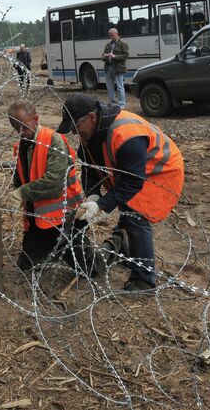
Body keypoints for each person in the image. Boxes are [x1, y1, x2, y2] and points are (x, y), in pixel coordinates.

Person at [57, 94, 184, 292]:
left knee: (135, 217)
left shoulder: (126, 135)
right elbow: (90, 166)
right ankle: (126, 248)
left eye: (75, 125)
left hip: (160, 172)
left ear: (91, 117)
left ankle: (144, 280)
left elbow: (133, 182)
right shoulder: (90, 133)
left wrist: (101, 205)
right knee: (127, 210)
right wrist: (93, 194)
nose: (74, 132)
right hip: (136, 172)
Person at [5, 100, 105, 273]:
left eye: (24, 127)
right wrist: (18, 190)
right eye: (17, 129)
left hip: (64, 218)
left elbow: (54, 183)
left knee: (91, 270)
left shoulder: (53, 140)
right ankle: (55, 249)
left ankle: (115, 245)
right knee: (26, 266)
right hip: (39, 219)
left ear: (35, 119)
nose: (21, 133)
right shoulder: (24, 143)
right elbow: (22, 174)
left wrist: (22, 192)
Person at [103, 28, 128, 108]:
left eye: (112, 35)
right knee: (109, 87)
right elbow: (102, 57)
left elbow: (125, 56)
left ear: (117, 34)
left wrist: (114, 56)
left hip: (118, 69)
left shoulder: (123, 44)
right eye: (110, 36)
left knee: (120, 87)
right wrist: (106, 56)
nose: (111, 37)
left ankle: (121, 104)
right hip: (108, 68)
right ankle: (112, 102)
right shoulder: (108, 45)